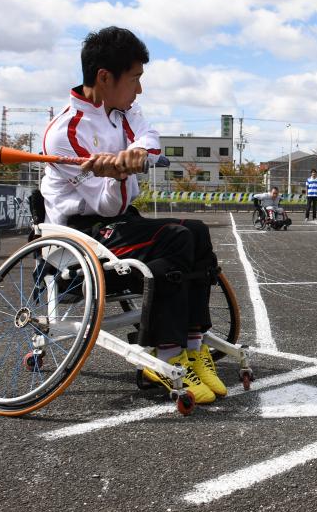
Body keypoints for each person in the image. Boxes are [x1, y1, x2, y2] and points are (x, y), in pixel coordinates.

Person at [41, 26, 224, 404]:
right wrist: (117, 173)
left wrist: (137, 153)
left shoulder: (123, 109)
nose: (139, 89)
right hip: (81, 231)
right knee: (176, 238)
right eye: (135, 78)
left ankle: (192, 348)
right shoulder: (64, 134)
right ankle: (164, 356)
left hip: (119, 220)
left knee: (198, 231)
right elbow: (107, 206)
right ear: (105, 77)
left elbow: (148, 134)